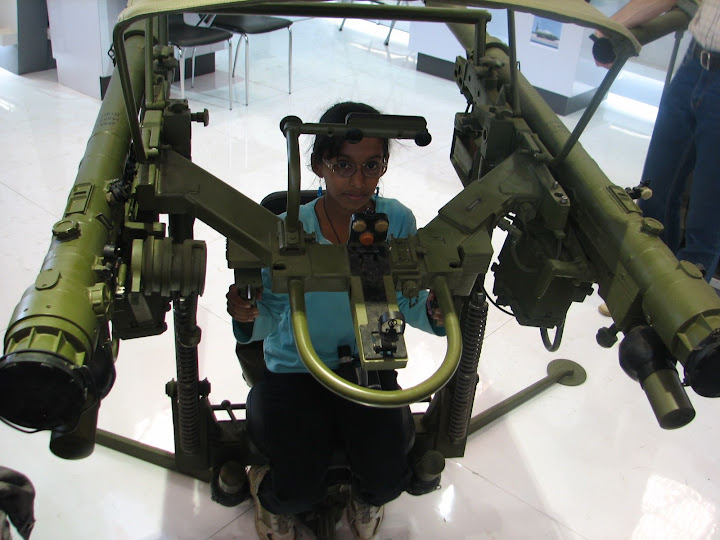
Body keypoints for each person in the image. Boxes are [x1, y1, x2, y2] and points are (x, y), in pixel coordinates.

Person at [226, 102, 445, 540]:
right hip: (297, 368)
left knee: (387, 482)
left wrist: (436, 312)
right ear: (318, 166)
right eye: (343, 165)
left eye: (372, 166)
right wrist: (247, 314)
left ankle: (364, 499)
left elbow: (407, 300)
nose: (358, 181)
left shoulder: (395, 221)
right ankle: (266, 493)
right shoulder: (290, 228)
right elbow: (270, 314)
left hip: (372, 361)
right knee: (295, 491)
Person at [596, 0, 720, 317]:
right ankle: (642, 295)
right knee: (654, 189)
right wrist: (614, 27)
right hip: (696, 63)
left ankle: (678, 317)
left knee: (706, 217)